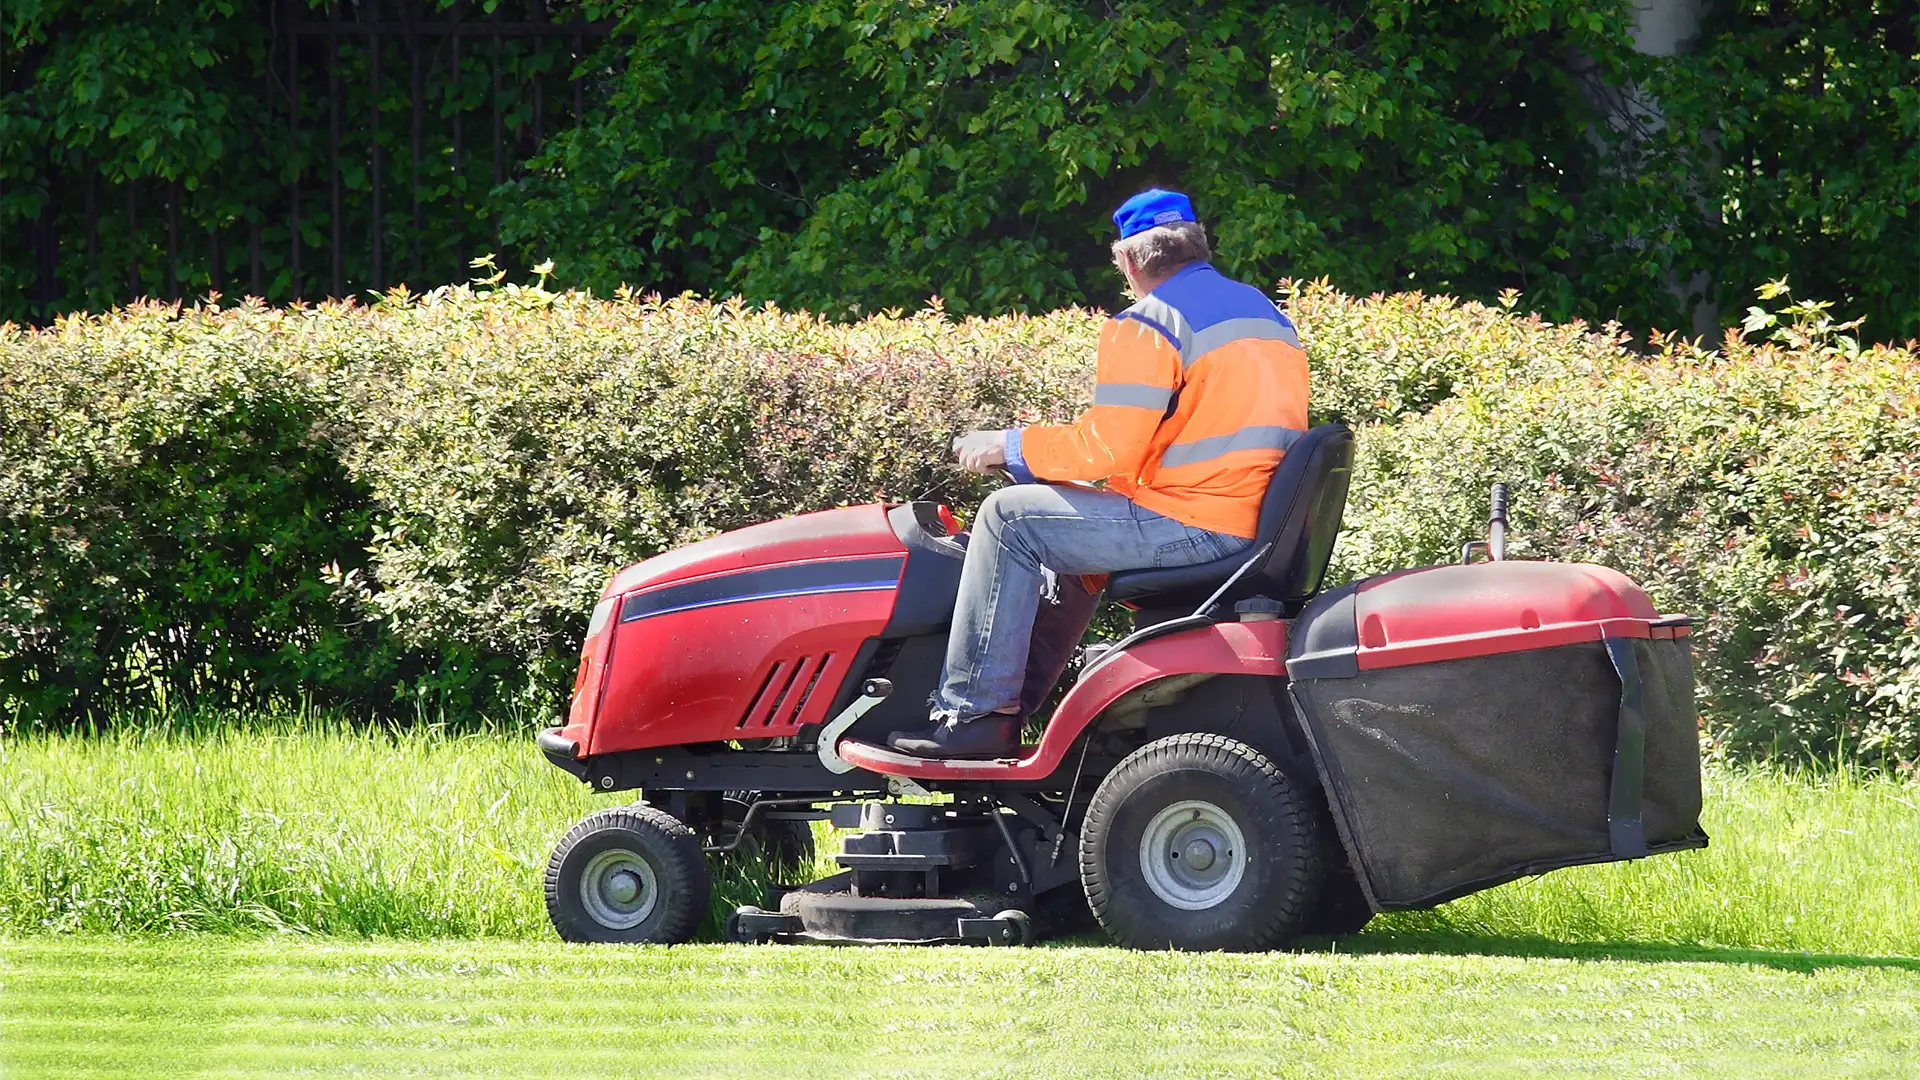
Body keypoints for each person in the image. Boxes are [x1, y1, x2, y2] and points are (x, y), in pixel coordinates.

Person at [885, 188, 1312, 760]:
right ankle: (1017, 712)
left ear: (1129, 262)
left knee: (1009, 520)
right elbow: (1182, 441)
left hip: (1197, 521)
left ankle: (974, 714)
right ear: (1199, 245)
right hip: (1246, 517)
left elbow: (1106, 447)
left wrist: (1006, 445)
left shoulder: (1149, 323)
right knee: (1054, 517)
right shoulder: (1265, 314)